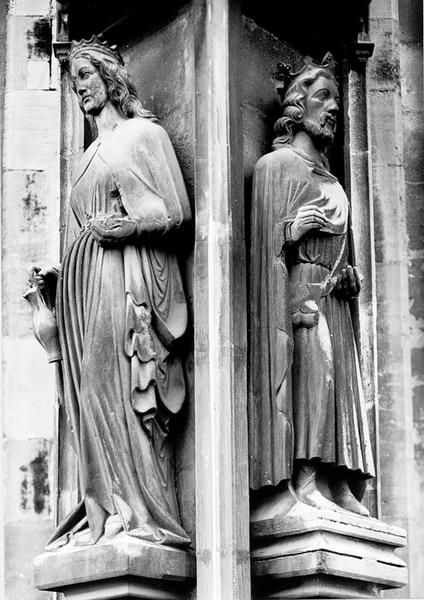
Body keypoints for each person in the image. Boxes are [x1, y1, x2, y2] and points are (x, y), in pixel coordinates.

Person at [33, 36, 191, 547]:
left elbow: (176, 213)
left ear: (110, 77)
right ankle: (106, 510)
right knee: (89, 393)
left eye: (85, 75)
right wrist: (60, 281)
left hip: (122, 281)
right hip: (83, 289)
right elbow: (84, 225)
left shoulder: (143, 135)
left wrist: (129, 229)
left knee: (116, 388)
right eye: (73, 78)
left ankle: (141, 512)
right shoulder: (85, 155)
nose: (78, 87)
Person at [249, 53, 375, 517]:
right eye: (325, 97)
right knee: (311, 380)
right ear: (298, 108)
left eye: (338, 99)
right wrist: (289, 230)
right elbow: (261, 249)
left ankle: (338, 479)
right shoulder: (275, 167)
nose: (335, 108)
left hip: (334, 300)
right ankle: (303, 479)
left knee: (340, 387)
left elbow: (348, 255)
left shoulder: (334, 182)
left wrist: (350, 276)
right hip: (298, 292)